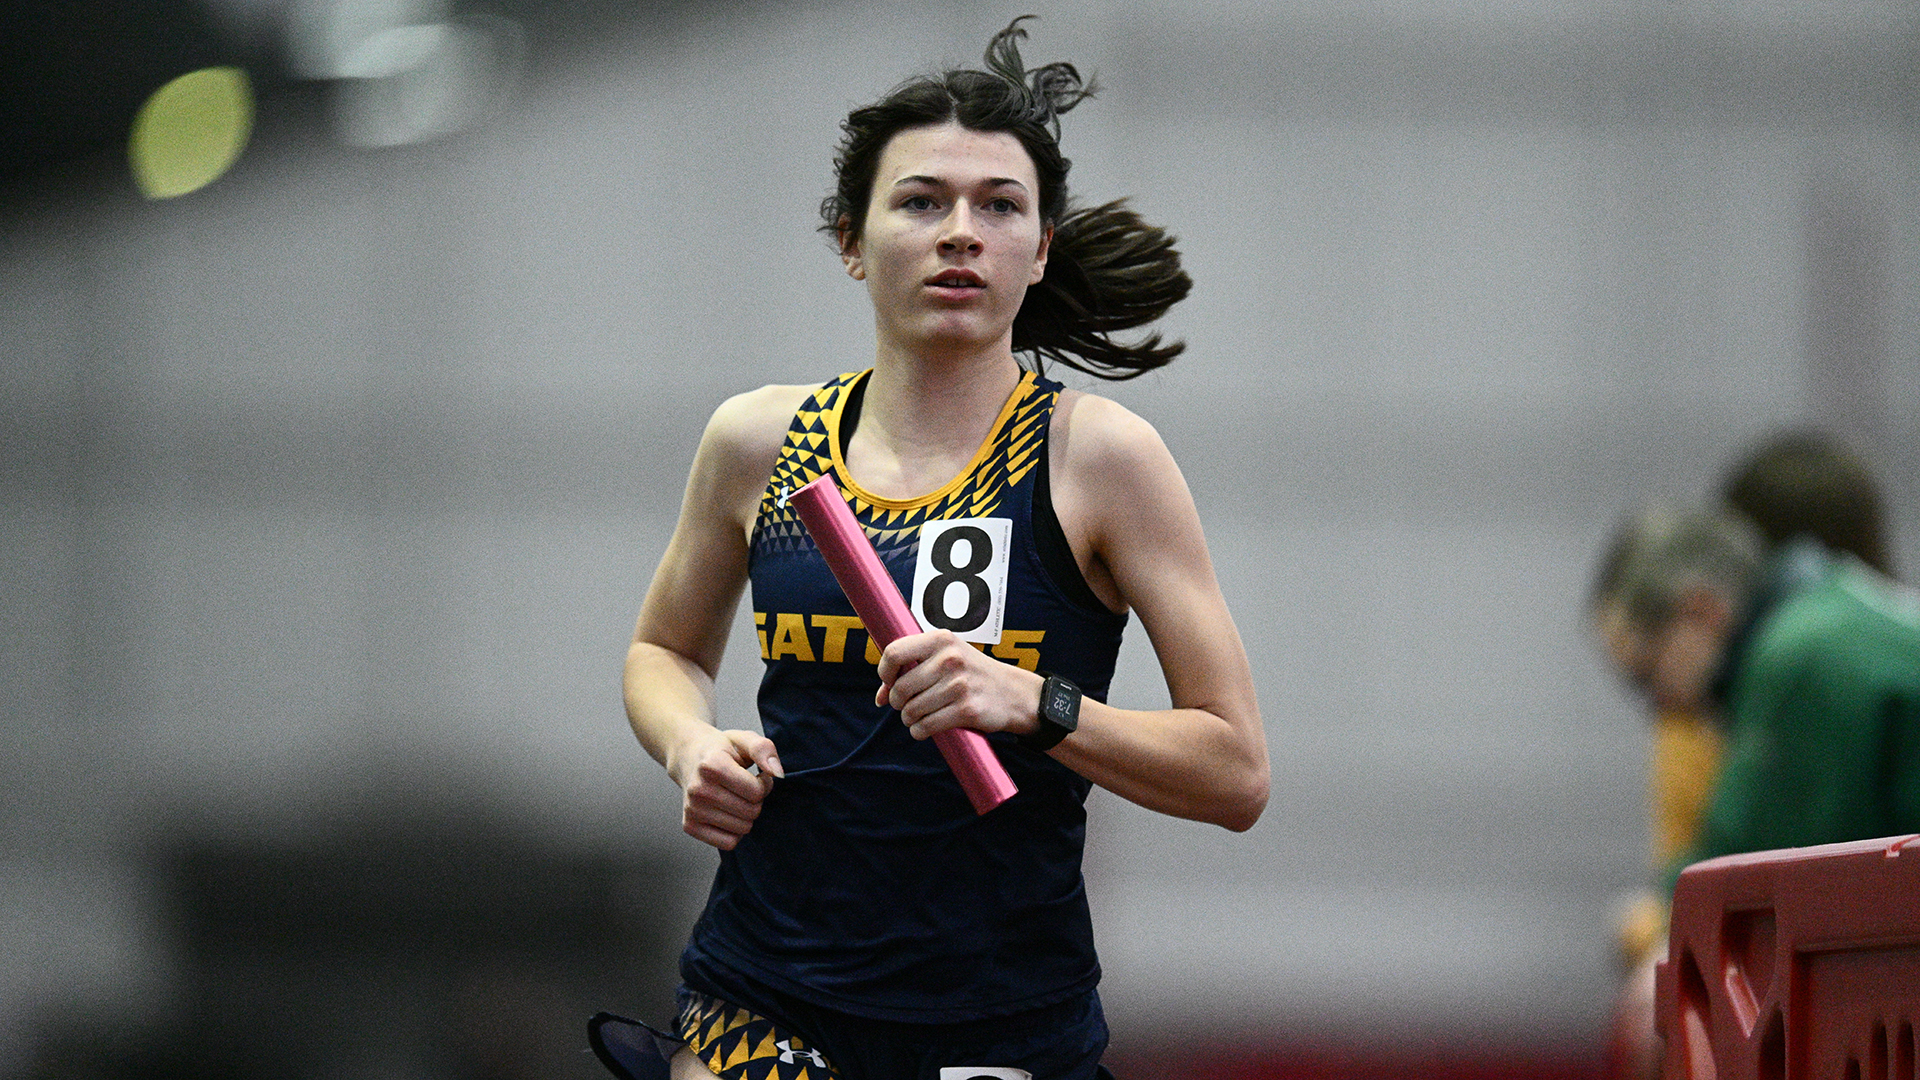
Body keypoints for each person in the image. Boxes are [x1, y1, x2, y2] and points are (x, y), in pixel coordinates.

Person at [601, 19, 1269, 1080]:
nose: (962, 231)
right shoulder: (759, 443)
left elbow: (1236, 773)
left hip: (1006, 1023)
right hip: (765, 992)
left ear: (1040, 247)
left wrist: (1033, 703)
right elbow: (662, 653)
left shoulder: (1098, 461)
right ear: (852, 243)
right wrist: (689, 744)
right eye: (921, 202)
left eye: (999, 205)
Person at [1590, 504, 1920, 1080]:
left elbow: (1735, 870)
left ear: (1700, 612)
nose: (1660, 709)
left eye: (1646, 677)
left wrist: (1648, 937)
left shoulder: (1796, 661)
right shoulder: (1839, 607)